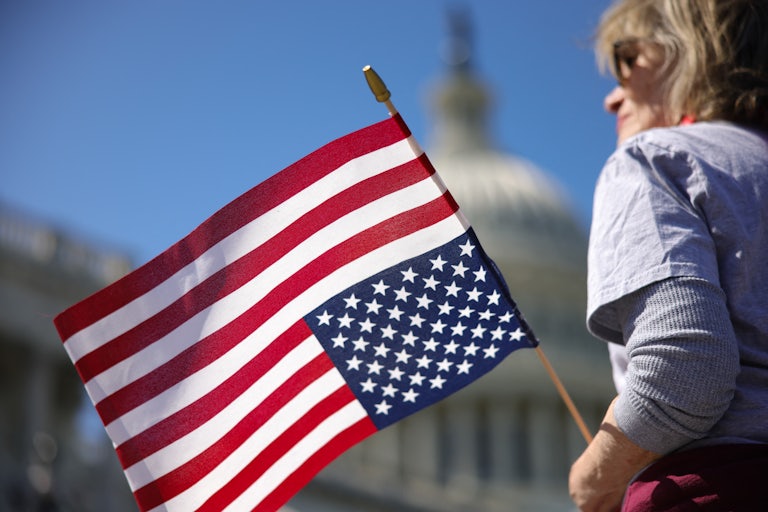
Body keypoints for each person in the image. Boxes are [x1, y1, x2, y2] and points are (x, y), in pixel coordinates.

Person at [568, 0, 768, 510]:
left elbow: (685, 368)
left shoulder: (654, 159)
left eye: (627, 58)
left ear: (689, 51)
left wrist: (595, 477)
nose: (613, 96)